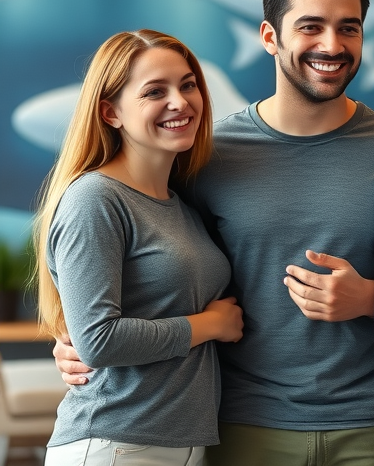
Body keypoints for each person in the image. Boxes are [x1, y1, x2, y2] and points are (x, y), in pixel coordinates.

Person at [53, 0, 374, 466]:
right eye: (311, 26)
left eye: (349, 27)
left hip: (368, 425)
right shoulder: (203, 155)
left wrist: (371, 298)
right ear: (270, 37)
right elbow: (139, 262)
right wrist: (72, 338)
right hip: (239, 426)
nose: (332, 45)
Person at [34, 29, 244, 465]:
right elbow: (98, 340)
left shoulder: (181, 205)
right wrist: (211, 325)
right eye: (155, 91)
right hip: (115, 445)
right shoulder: (95, 198)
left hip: (178, 446)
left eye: (188, 85)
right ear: (111, 112)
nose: (180, 102)